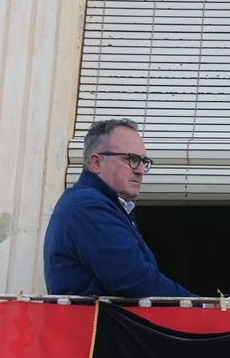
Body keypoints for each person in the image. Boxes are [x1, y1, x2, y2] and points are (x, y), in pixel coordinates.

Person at [43, 119, 194, 298]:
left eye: (143, 161)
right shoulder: (87, 206)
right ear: (96, 162)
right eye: (131, 159)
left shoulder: (106, 205)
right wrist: (201, 307)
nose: (140, 170)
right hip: (95, 325)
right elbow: (134, 279)